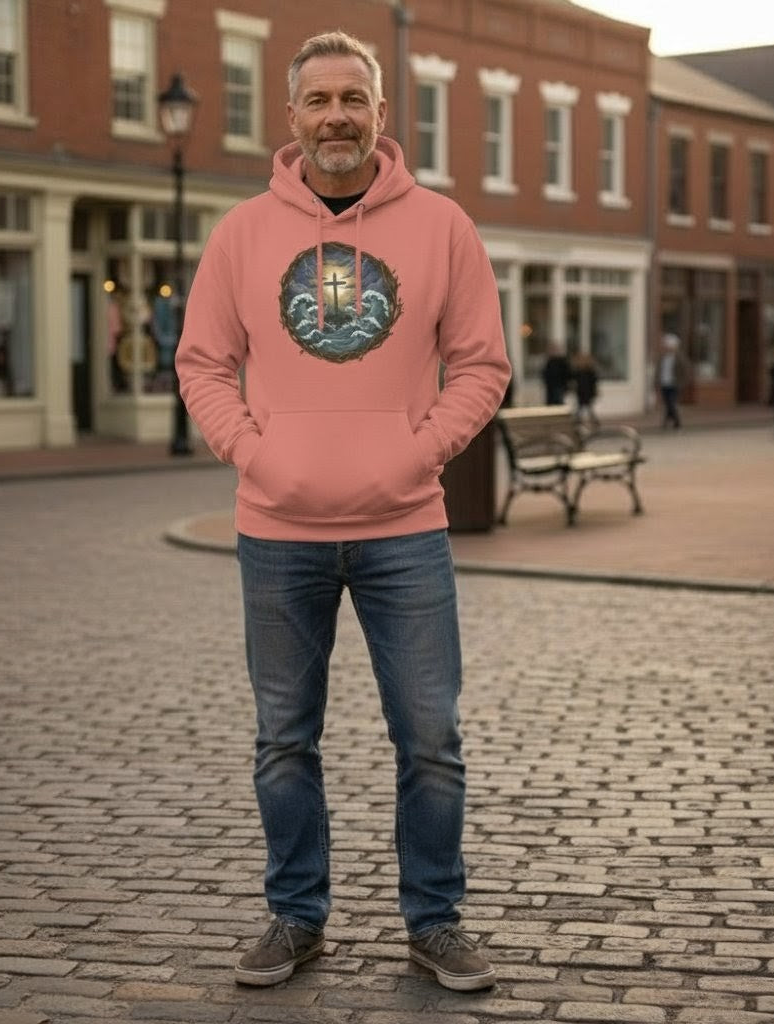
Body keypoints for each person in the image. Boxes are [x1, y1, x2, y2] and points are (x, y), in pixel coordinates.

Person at [176, 31, 510, 991]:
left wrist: (418, 448)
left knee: (431, 739)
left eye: (352, 100)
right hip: (278, 530)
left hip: (407, 528)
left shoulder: (443, 227)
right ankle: (296, 917)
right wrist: (254, 449)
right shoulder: (243, 233)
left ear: (379, 112)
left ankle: (434, 922)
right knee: (285, 737)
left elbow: (482, 362)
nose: (336, 118)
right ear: (291, 117)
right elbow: (202, 361)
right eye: (317, 101)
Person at [656, 333, 689, 429]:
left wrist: (682, 382)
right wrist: (657, 381)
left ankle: (676, 422)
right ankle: (668, 422)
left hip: (674, 384)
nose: (668, 348)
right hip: (664, 383)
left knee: (671, 403)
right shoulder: (663, 357)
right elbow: (658, 370)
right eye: (666, 346)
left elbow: (685, 371)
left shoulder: (679, 358)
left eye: (670, 346)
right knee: (667, 403)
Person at [570, 350, 600, 430]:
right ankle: (577, 422)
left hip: (587, 393)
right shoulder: (578, 371)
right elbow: (574, 381)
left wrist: (594, 392)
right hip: (581, 393)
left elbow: (594, 383)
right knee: (582, 409)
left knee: (587, 409)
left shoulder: (590, 372)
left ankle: (593, 422)